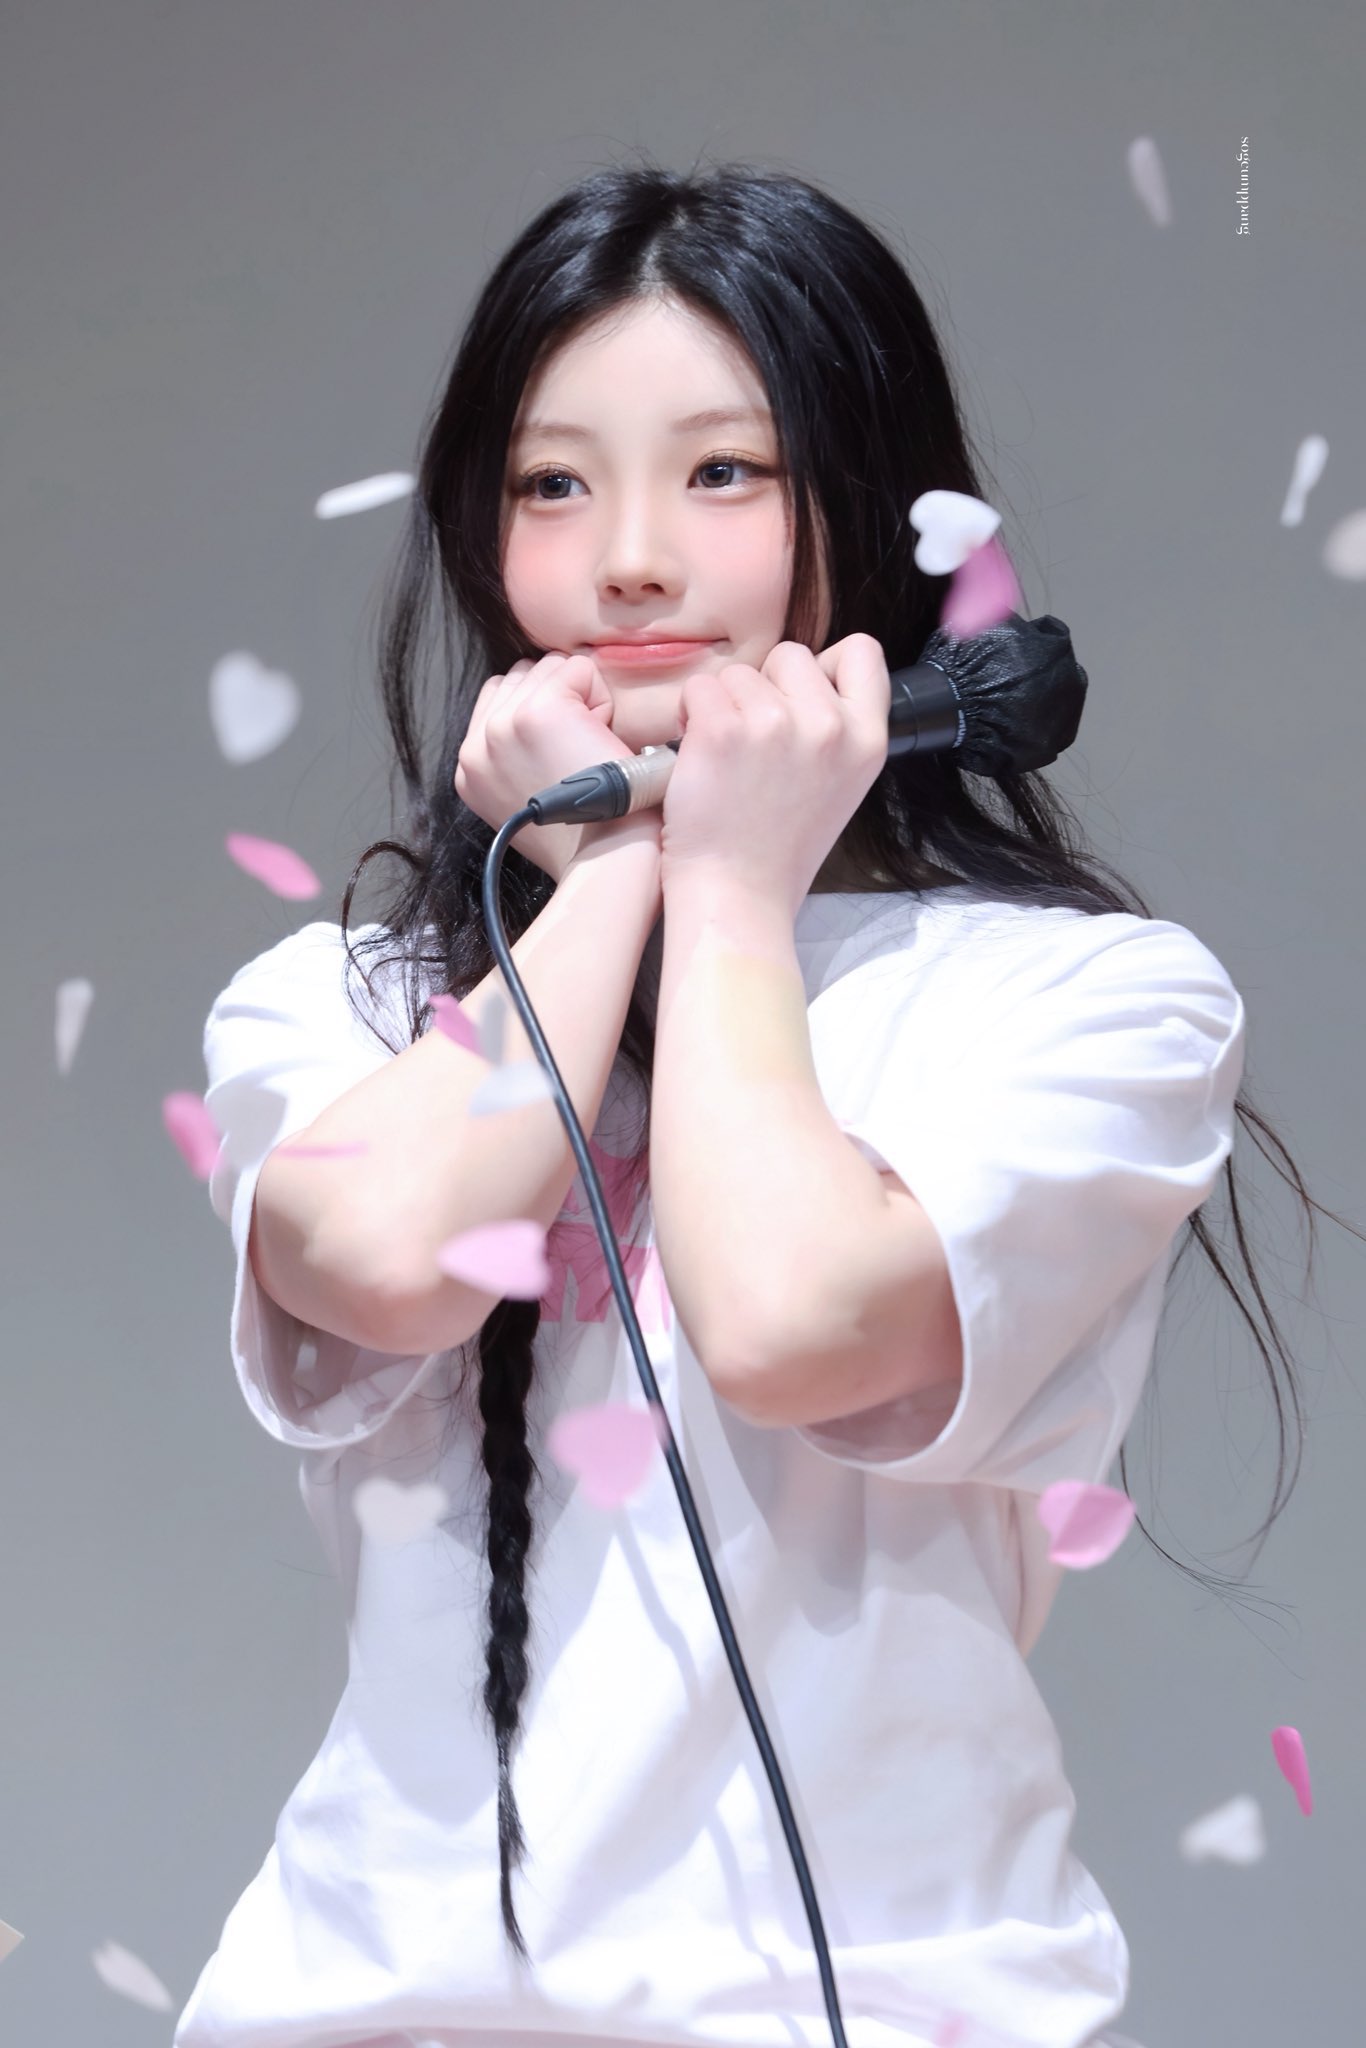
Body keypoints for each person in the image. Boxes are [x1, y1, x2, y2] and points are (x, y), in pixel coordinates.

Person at [174, 158, 1345, 2048]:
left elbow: (791, 1320)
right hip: (360, 2012)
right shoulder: (345, 1005)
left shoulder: (1088, 1003)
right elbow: (390, 1259)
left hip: (880, 2010)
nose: (630, 559)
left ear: (864, 513)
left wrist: (724, 889)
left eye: (723, 473)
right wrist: (610, 877)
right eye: (553, 484)